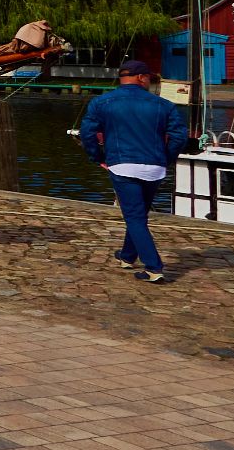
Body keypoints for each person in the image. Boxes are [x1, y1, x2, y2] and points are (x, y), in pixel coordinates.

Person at [78, 58, 190, 283]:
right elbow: (179, 136)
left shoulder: (102, 102)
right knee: (138, 214)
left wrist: (98, 157)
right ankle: (127, 256)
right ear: (141, 77)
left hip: (122, 164)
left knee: (134, 217)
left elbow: (87, 134)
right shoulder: (163, 104)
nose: (150, 82)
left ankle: (153, 267)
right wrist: (165, 159)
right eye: (149, 77)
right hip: (155, 167)